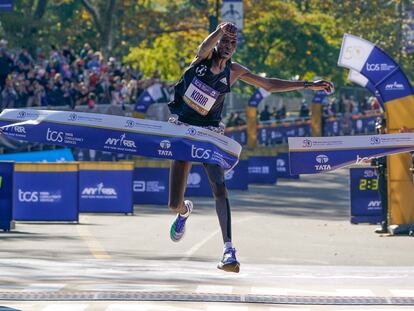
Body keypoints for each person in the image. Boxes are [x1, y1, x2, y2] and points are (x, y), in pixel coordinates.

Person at [167, 22, 333, 273]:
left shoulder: (233, 71)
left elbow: (269, 85)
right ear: (217, 42)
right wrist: (220, 31)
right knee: (173, 203)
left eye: (232, 44)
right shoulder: (200, 60)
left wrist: (308, 85)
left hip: (210, 133)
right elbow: (203, 46)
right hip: (183, 129)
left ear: (235, 49)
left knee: (219, 187)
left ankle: (228, 249)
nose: (226, 47)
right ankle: (185, 211)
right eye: (223, 42)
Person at [371, 117, 388, 234]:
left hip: (389, 174)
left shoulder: (389, 139)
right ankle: (384, 224)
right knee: (383, 201)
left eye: (382, 127)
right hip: (380, 174)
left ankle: (387, 223)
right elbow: (374, 159)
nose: (381, 130)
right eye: (379, 128)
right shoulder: (377, 140)